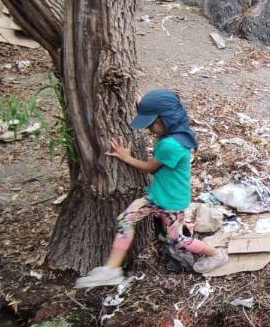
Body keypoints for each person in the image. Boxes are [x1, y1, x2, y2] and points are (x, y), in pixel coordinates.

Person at [75, 89, 228, 288]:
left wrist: (124, 156)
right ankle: (111, 270)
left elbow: (150, 168)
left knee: (177, 240)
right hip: (157, 195)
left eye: (151, 124)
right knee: (126, 219)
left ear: (166, 120)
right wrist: (143, 103)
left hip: (171, 202)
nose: (149, 129)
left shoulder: (171, 146)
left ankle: (217, 254)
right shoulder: (179, 132)